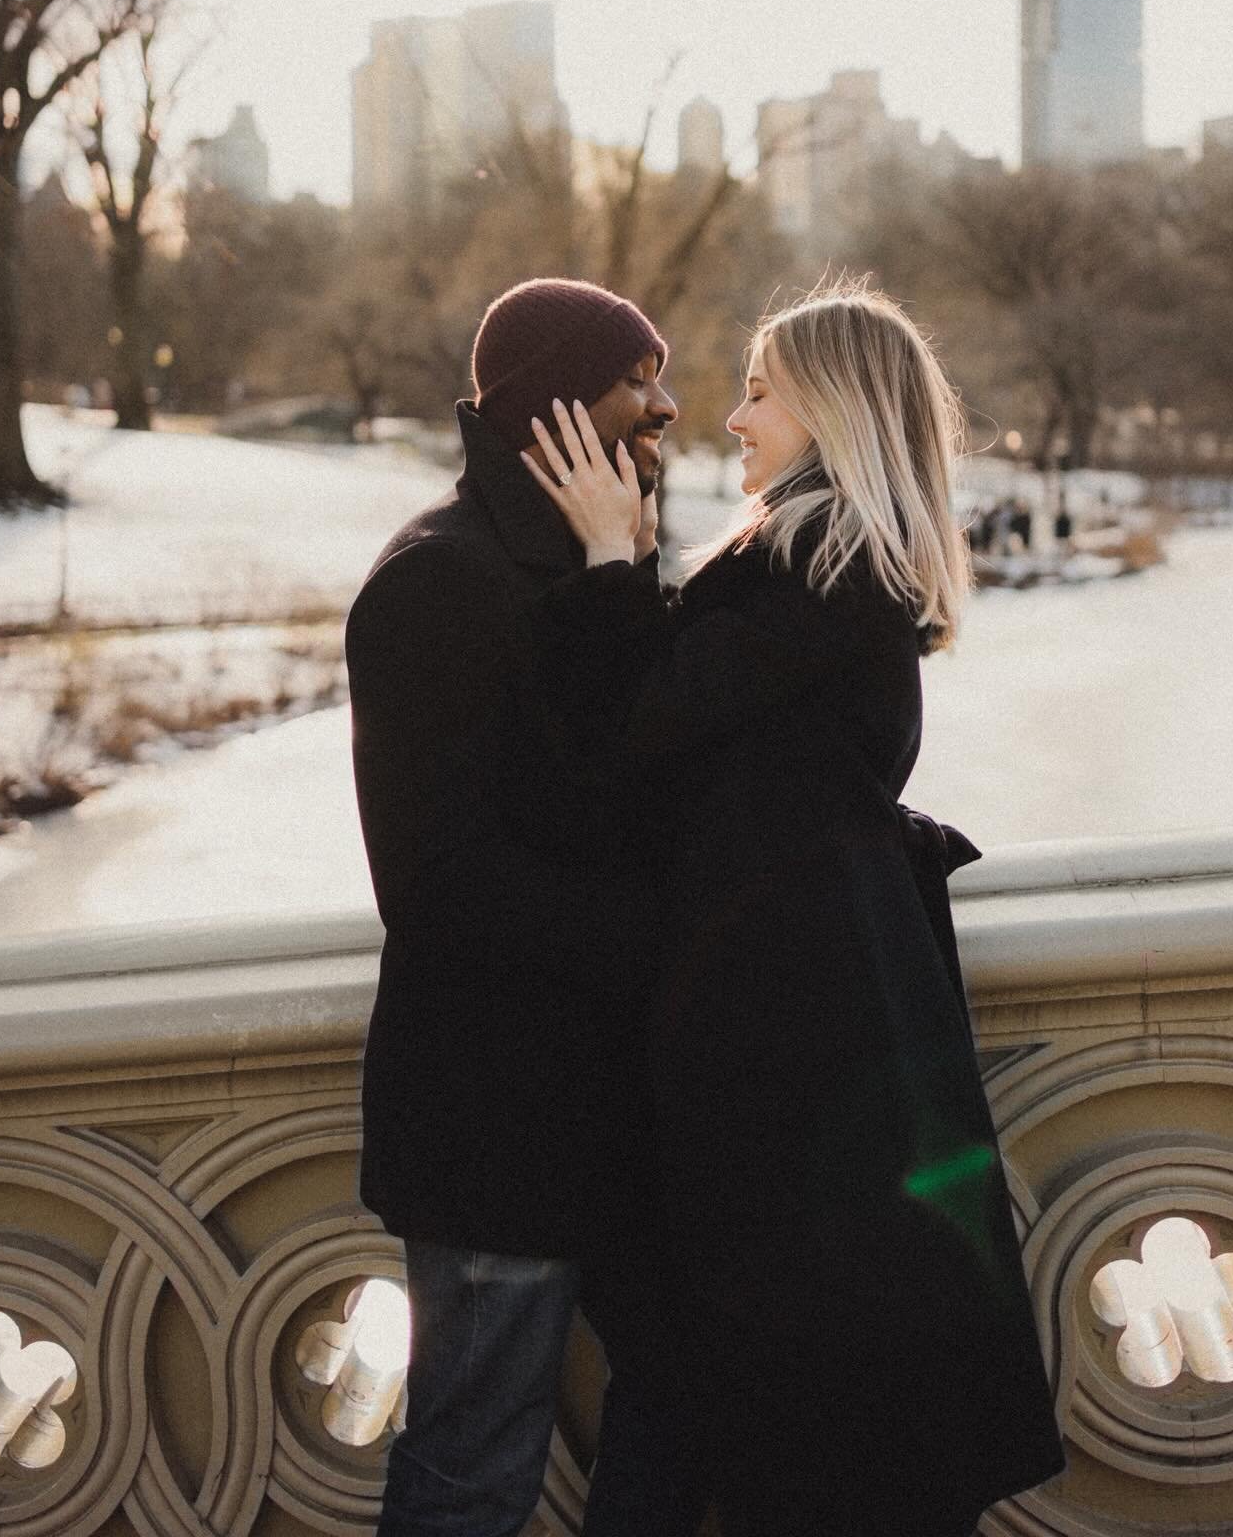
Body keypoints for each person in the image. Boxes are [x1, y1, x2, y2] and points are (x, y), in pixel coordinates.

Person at [525, 283, 1066, 1537]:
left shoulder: (823, 570)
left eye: (761, 391)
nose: (731, 418)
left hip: (785, 1065)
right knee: (755, 1400)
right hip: (810, 1045)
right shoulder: (830, 566)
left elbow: (632, 737)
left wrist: (610, 561)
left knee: (778, 1408)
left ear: (836, 409)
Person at [345, 277, 709, 1537]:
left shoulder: (601, 560)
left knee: (695, 1385)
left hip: (619, 1115)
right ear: (553, 404)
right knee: (473, 1471)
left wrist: (624, 574)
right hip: (493, 1122)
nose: (667, 405)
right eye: (636, 379)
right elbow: (437, 885)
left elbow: (644, 787)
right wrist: (666, 937)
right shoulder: (437, 581)